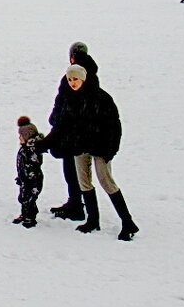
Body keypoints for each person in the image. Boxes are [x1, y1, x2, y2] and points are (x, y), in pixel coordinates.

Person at [40, 64, 139, 241]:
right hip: (80, 146)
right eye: (70, 79)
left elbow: (114, 126)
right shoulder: (69, 98)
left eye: (75, 79)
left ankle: (128, 222)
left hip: (100, 148)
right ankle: (93, 220)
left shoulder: (101, 98)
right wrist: (45, 143)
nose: (73, 83)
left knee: (106, 181)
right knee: (83, 182)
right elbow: (62, 126)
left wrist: (110, 149)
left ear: (83, 79)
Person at [45, 42, 98, 221]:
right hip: (82, 131)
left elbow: (63, 103)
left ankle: (76, 205)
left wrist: (55, 122)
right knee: (78, 170)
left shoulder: (72, 76)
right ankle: (77, 203)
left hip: (70, 132)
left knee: (72, 169)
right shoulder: (91, 75)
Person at [13, 116, 45, 228]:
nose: (19, 138)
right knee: (23, 197)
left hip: (32, 180)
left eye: (21, 136)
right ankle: (24, 214)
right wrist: (20, 176)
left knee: (30, 199)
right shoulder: (24, 149)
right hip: (24, 178)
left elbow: (33, 166)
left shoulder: (32, 150)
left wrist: (30, 178)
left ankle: (30, 217)